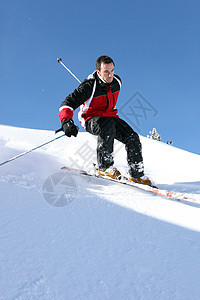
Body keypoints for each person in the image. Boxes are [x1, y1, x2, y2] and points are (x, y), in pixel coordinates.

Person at [58, 55, 152, 186]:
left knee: (132, 137)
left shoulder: (117, 82)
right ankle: (104, 167)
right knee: (107, 126)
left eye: (112, 70)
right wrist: (66, 121)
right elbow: (67, 103)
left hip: (110, 117)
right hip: (90, 118)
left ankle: (137, 174)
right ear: (98, 72)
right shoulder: (89, 86)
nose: (110, 75)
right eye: (106, 72)